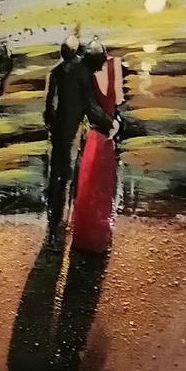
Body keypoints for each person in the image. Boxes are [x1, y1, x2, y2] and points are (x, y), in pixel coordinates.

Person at [43, 33, 114, 238]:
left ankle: (53, 223)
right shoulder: (82, 73)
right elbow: (90, 106)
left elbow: (49, 106)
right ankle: (62, 225)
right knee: (69, 176)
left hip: (57, 132)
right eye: (99, 63)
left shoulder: (57, 70)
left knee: (56, 176)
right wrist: (110, 122)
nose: (100, 68)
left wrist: (51, 122)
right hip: (71, 132)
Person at [70, 40, 124, 253]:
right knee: (100, 185)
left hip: (94, 135)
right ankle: (97, 237)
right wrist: (113, 124)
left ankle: (86, 237)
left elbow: (91, 107)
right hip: (103, 134)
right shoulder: (109, 69)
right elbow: (112, 102)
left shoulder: (84, 74)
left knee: (89, 185)